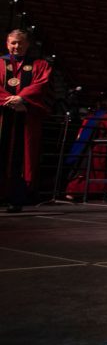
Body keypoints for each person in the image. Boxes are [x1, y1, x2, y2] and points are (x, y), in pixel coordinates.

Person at [0, 29, 52, 212]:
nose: (16, 46)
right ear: (7, 43)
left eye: (20, 43)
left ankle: (17, 198)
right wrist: (8, 100)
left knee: (23, 158)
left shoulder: (39, 65)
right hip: (2, 117)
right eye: (13, 42)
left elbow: (41, 85)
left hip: (26, 117)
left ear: (28, 44)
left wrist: (22, 99)